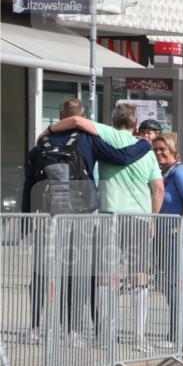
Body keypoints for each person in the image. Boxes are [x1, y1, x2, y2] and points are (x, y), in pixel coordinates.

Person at [21, 98, 153, 345]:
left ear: (61, 114)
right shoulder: (87, 141)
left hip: (46, 216)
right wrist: (145, 145)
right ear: (81, 116)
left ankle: (35, 328)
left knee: (41, 272)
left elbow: (29, 184)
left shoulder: (40, 146)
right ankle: (72, 331)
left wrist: (25, 221)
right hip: (79, 215)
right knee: (75, 273)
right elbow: (121, 156)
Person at [152, 135, 183, 346]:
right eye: (155, 149)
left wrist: (178, 226)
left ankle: (179, 336)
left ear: (173, 150)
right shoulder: (167, 173)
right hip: (173, 238)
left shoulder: (179, 172)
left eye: (163, 149)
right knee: (178, 287)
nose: (158, 153)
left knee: (176, 286)